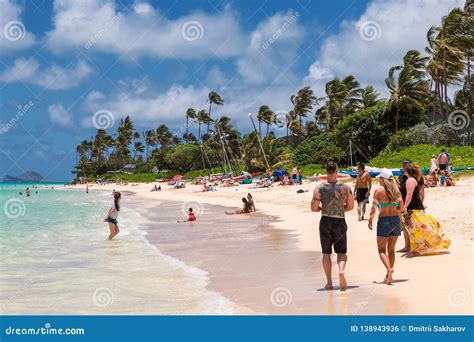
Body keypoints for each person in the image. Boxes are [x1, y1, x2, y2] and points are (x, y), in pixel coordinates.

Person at [311, 162, 354, 290]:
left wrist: (321, 209)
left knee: (326, 253)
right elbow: (351, 206)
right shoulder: (345, 187)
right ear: (336, 171)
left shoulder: (319, 188)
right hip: (339, 221)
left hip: (325, 221)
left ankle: (329, 282)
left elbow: (313, 208)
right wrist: (340, 210)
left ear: (326, 171)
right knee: (341, 252)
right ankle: (341, 270)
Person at [400, 163, 450, 255]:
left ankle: (433, 244)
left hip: (413, 207)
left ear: (407, 171)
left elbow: (409, 194)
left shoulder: (410, 180)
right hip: (414, 206)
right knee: (414, 228)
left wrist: (405, 207)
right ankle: (416, 247)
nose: (403, 171)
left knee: (418, 228)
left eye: (404, 170)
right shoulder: (412, 179)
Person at [368, 169, 404, 284]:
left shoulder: (378, 191)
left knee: (381, 250)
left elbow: (374, 207)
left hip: (384, 221)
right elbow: (402, 209)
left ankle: (389, 269)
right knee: (391, 250)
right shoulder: (397, 191)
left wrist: (370, 219)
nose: (378, 179)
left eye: (379, 177)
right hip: (395, 221)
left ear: (383, 179)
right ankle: (389, 275)